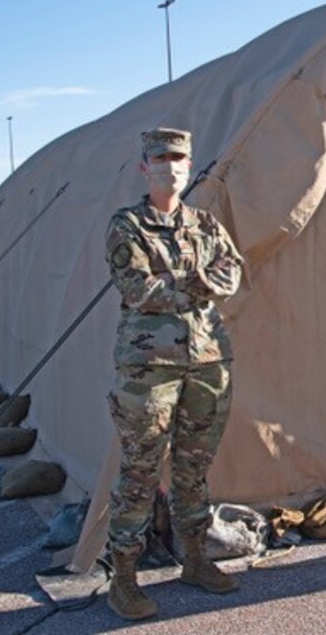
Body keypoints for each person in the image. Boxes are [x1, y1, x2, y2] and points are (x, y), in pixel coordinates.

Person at [103, 127, 244, 620]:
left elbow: (232, 273)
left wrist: (175, 280)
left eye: (178, 158)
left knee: (193, 467)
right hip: (149, 368)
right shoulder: (126, 225)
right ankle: (123, 578)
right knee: (140, 470)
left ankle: (196, 558)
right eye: (160, 158)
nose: (170, 166)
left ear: (189, 166)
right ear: (144, 167)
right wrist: (198, 282)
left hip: (207, 360)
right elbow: (138, 289)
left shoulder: (205, 223)